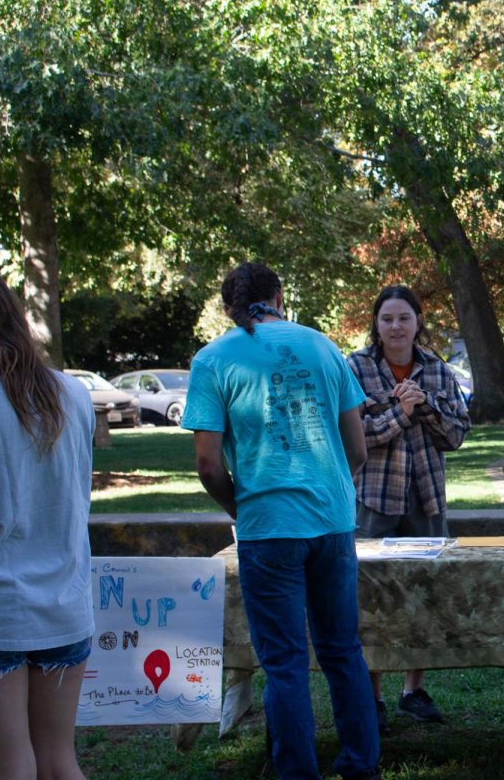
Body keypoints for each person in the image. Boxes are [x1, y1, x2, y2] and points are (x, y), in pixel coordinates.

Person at [183, 262, 379, 780]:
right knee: (342, 652)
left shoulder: (212, 360)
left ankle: (296, 772)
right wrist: (331, 491)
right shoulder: (323, 346)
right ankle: (362, 766)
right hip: (332, 522)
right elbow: (357, 447)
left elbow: (207, 465)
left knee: (286, 664)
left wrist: (239, 507)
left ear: (229, 308)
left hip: (267, 527)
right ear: (279, 295)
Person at [0, 267, 96, 780]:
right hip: (64, 601)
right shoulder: (71, 393)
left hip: (0, 609)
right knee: (57, 759)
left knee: (8, 762)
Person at [347, 285, 470, 729]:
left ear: (418, 321)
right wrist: (401, 411)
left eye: (404, 318)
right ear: (376, 324)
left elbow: (456, 435)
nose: (395, 327)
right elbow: (355, 435)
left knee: (423, 592)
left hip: (427, 497)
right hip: (375, 500)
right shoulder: (356, 368)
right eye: (387, 319)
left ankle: (412, 690)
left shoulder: (437, 369)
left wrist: (427, 407)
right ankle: (373, 695)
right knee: (372, 595)